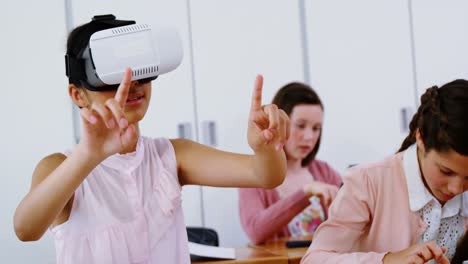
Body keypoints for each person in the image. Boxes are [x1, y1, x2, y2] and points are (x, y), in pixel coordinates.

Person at [13, 15, 290, 264]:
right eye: (113, 78)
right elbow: (26, 229)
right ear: (77, 94)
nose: (131, 85)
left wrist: (266, 149)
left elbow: (264, 175)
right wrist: (88, 156)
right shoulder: (57, 167)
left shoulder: (170, 155)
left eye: (140, 74)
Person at [301, 80, 468, 264]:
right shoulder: (368, 182)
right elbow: (313, 259)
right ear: (421, 137)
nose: (457, 188)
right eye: (446, 171)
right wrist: (387, 260)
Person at [239, 82, 342, 244]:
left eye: (316, 128)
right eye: (300, 126)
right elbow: (255, 231)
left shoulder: (325, 171)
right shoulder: (254, 176)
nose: (309, 136)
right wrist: (306, 192)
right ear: (280, 124)